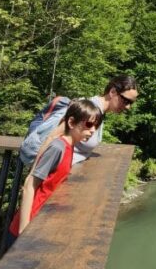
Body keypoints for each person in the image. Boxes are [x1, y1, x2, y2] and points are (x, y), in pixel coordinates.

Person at [9, 98, 103, 239]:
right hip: (28, 225)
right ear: (71, 122)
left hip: (41, 221)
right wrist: (24, 230)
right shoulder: (58, 148)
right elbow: (29, 186)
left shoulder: (69, 146)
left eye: (96, 126)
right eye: (89, 124)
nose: (92, 130)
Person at [20, 74, 139, 167]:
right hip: (47, 168)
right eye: (126, 100)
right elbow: (52, 137)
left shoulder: (98, 111)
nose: (128, 107)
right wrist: (34, 174)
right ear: (112, 92)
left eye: (131, 103)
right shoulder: (88, 110)